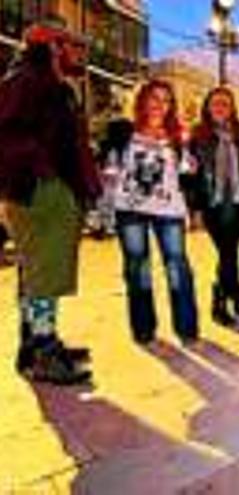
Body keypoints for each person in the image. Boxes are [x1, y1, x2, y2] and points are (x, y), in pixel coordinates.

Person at [0, 17, 100, 384]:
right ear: (52, 46)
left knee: (40, 271)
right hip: (38, 190)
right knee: (45, 272)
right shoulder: (26, 80)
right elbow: (7, 133)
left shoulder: (53, 84)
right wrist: (44, 171)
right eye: (73, 44)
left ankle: (36, 345)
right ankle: (42, 349)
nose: (81, 52)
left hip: (48, 188)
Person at [106, 80, 200, 346]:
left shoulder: (178, 136)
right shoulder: (121, 129)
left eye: (167, 100)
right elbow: (110, 165)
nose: (160, 105)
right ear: (143, 100)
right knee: (138, 268)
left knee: (177, 266)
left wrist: (191, 170)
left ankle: (186, 327)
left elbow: (185, 175)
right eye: (155, 98)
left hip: (169, 208)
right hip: (130, 207)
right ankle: (144, 329)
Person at [189, 87, 239, 329]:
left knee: (227, 255)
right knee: (228, 254)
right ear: (208, 108)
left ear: (232, 109)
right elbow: (192, 177)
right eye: (216, 103)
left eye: (225, 104)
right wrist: (195, 208)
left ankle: (219, 302)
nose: (221, 107)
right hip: (213, 205)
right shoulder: (197, 137)